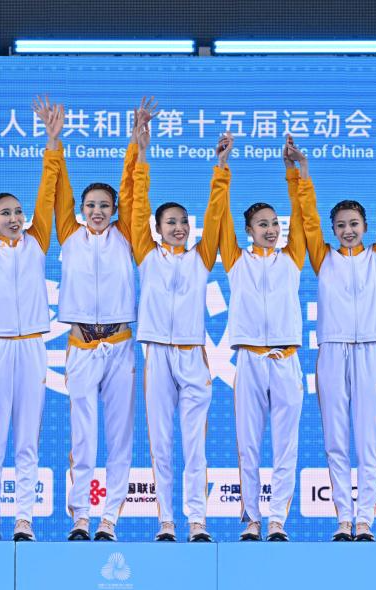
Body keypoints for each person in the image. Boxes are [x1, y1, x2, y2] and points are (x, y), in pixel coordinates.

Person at [0, 99, 64, 542]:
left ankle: (24, 517)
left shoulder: (37, 242)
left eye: (18, 212)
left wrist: (52, 142)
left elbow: (48, 191)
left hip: (32, 346)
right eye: (5, 213)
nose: (15, 218)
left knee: (26, 438)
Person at [58, 98, 156, 542]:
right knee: (83, 437)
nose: (97, 211)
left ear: (114, 210)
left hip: (119, 346)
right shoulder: (68, 236)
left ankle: (109, 518)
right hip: (80, 346)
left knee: (119, 437)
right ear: (81, 208)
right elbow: (57, 190)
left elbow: (136, 191)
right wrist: (54, 143)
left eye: (105, 205)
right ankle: (80, 515)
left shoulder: (127, 237)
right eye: (90, 204)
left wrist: (137, 145)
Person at [132, 124, 231, 543]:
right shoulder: (145, 254)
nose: (179, 227)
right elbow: (138, 203)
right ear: (156, 228)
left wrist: (221, 168)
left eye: (183, 222)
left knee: (195, 446)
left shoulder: (201, 258)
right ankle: (166, 521)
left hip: (193, 357)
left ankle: (197, 521)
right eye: (170, 222)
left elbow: (216, 213)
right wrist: (141, 153)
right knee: (161, 444)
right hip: (157, 354)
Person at [299, 129, 376, 542]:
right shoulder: (323, 258)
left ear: (365, 226)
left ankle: (366, 519)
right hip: (332, 352)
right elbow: (307, 219)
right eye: (340, 225)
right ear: (333, 229)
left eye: (354, 224)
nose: (347, 230)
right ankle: (344, 517)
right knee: (336, 440)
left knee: (367, 441)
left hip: (369, 352)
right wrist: (304, 175)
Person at [221, 136, 307, 542]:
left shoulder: (293, 258)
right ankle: (252, 519)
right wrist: (222, 169)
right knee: (249, 446)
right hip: (250, 361)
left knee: (286, 447)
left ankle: (277, 521)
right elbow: (219, 215)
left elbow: (304, 215)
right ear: (248, 231)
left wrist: (296, 173)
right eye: (262, 225)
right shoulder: (235, 260)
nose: (271, 230)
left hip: (287, 360)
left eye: (275, 223)